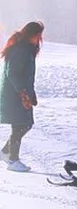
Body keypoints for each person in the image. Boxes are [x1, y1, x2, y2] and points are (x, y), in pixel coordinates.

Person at [0, 21, 44, 172]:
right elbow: (11, 73)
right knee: (20, 125)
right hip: (14, 93)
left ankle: (6, 152)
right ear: (30, 34)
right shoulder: (20, 50)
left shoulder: (27, 49)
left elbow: (25, 74)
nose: (39, 38)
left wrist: (30, 92)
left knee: (25, 124)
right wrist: (23, 92)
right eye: (38, 35)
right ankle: (13, 160)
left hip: (21, 92)